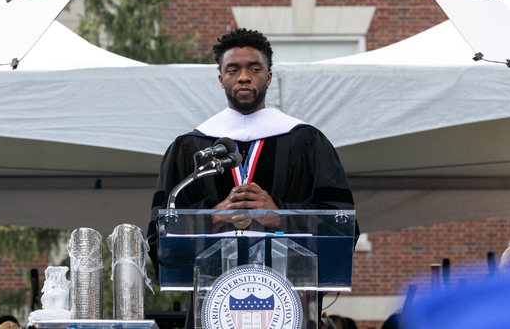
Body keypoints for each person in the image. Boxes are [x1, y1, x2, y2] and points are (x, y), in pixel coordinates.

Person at [147, 27, 356, 268]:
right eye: (233, 70)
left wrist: (281, 216)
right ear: (221, 79)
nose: (244, 77)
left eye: (254, 69)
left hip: (290, 293)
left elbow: (341, 225)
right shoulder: (191, 148)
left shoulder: (306, 141)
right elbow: (159, 238)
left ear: (268, 77)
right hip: (211, 294)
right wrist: (212, 218)